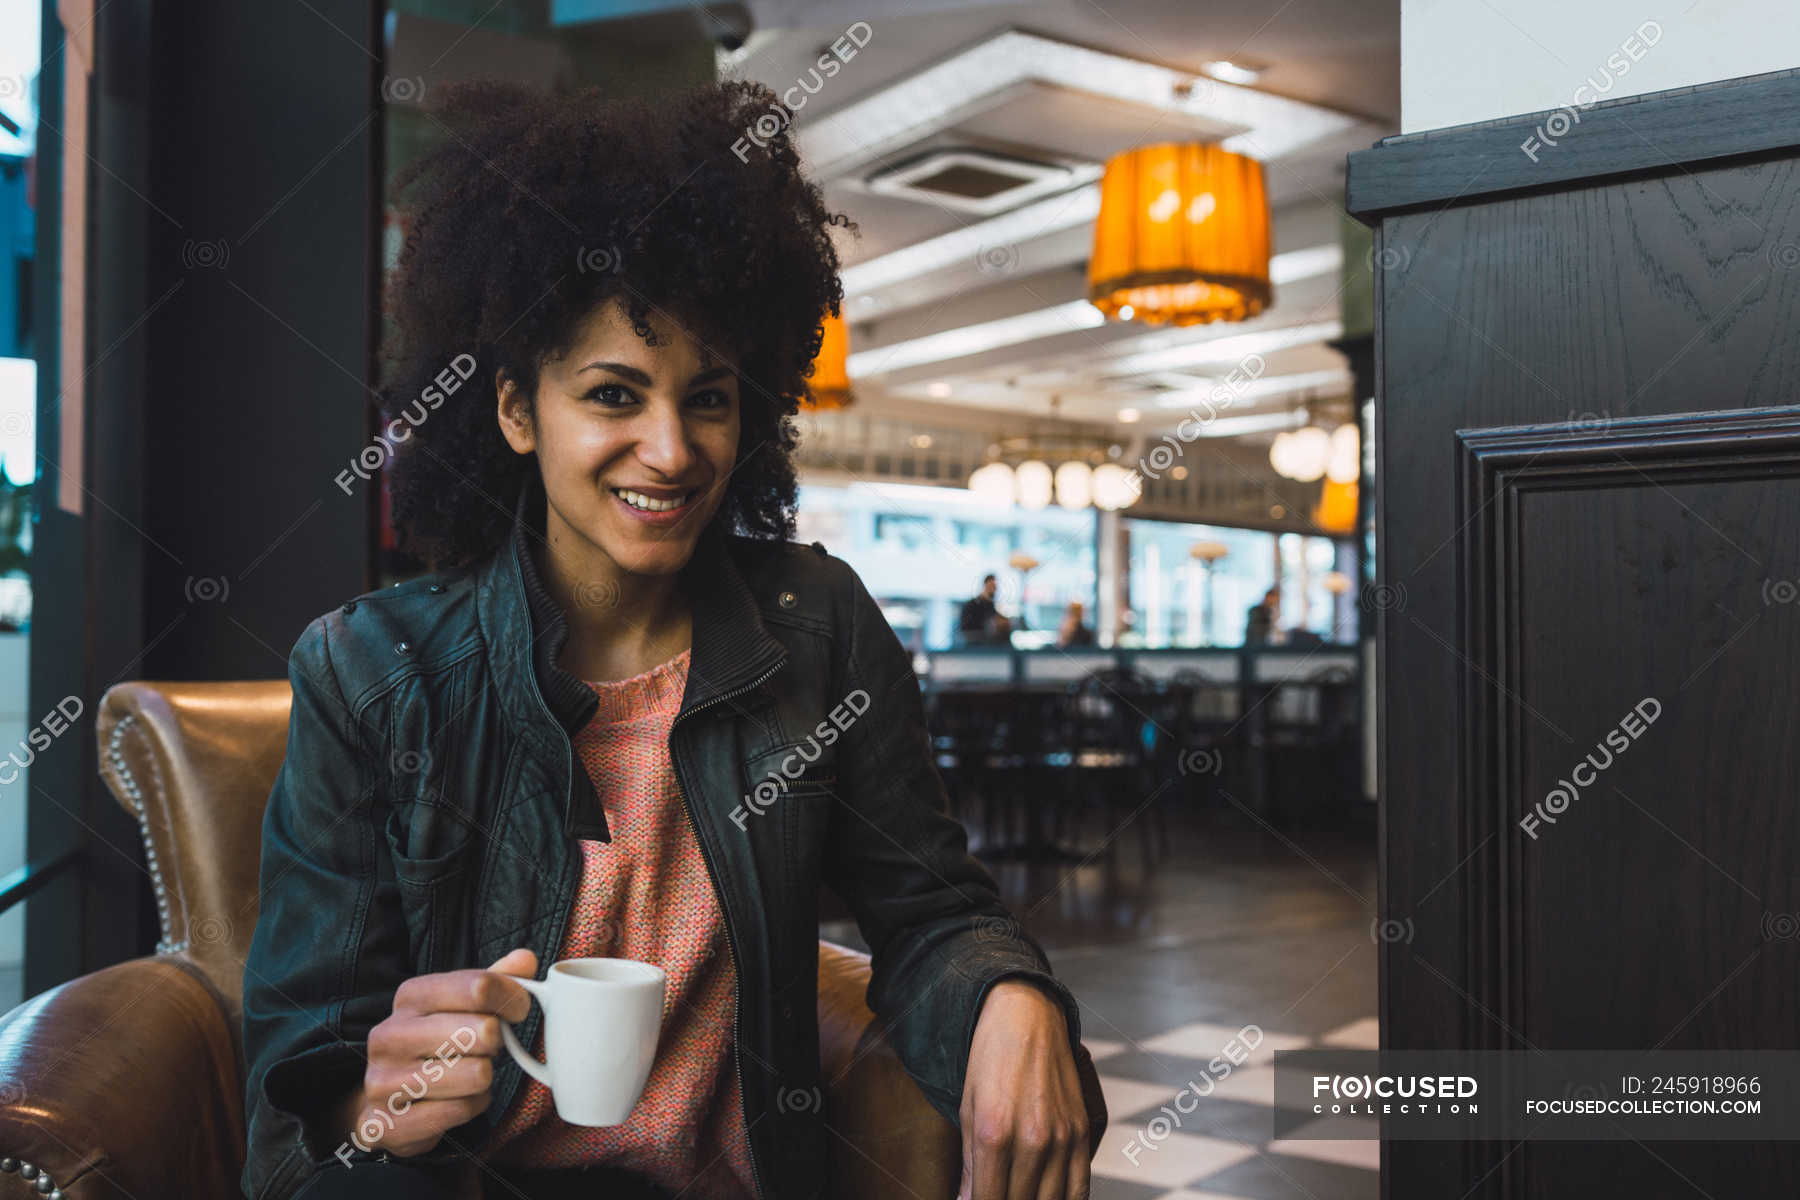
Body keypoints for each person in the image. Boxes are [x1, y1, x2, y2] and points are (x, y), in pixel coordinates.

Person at [239, 79, 1096, 1200]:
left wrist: (1011, 995)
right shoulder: (370, 674)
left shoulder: (820, 629)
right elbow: (295, 1105)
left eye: (709, 398)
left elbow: (931, 908)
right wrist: (368, 1104)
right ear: (512, 409)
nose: (670, 449)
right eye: (611, 393)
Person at [957, 573, 1013, 646]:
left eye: (995, 587)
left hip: (985, 639)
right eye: (992, 586)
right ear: (986, 585)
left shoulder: (990, 604)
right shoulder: (973, 604)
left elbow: (996, 618)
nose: (995, 589)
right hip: (976, 640)